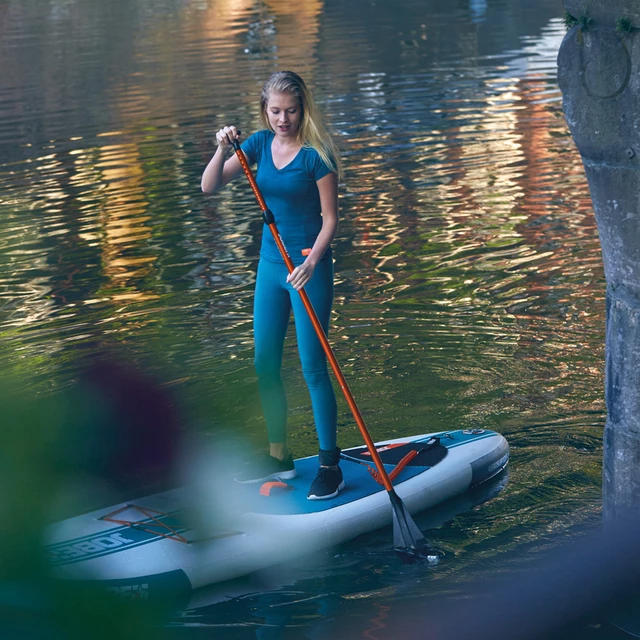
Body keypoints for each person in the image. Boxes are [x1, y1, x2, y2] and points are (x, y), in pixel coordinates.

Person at [201, 71, 343, 500]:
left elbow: (331, 219)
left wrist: (313, 262)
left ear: (304, 108)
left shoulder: (317, 157)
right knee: (264, 364)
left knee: (313, 368)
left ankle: (329, 464)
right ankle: (278, 454)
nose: (283, 119)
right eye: (275, 111)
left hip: (306, 269)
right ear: (265, 110)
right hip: (268, 268)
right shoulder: (258, 145)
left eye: (292, 110)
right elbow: (209, 186)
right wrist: (223, 147)